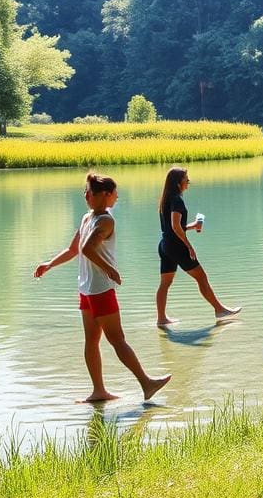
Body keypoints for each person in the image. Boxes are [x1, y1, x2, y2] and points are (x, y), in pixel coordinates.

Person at [33, 173, 172, 403]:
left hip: (86, 290)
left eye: (87, 192)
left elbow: (76, 250)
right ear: (104, 195)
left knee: (92, 341)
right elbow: (82, 249)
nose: (85, 195)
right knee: (117, 340)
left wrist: (49, 265)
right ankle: (146, 384)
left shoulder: (91, 219)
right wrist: (110, 270)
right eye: (87, 192)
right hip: (100, 290)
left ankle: (99, 391)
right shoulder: (102, 220)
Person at [156, 166, 240, 327]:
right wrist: (188, 245)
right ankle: (219, 309)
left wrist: (192, 226)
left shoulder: (166, 199)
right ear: (178, 183)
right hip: (176, 246)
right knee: (201, 277)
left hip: (165, 245)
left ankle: (161, 319)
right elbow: (175, 226)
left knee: (165, 283)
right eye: (186, 179)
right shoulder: (177, 200)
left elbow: (173, 227)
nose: (188, 181)